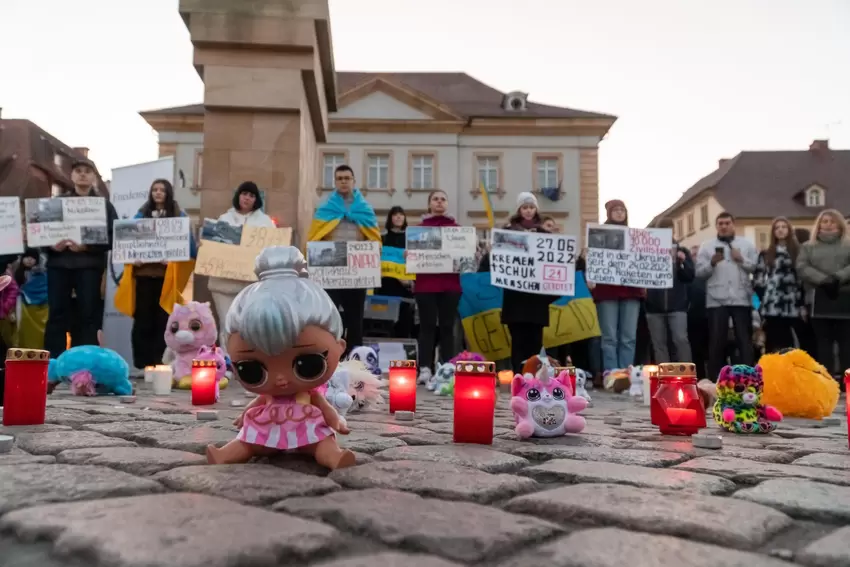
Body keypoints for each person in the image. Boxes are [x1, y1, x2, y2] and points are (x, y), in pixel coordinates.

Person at [206, 246, 355, 470]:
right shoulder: (268, 397)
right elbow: (256, 403)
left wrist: (336, 421)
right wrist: (244, 415)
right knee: (247, 442)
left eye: (307, 364)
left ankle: (334, 458)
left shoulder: (309, 395)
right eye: (253, 369)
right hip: (267, 431)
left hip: (307, 432)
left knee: (323, 444)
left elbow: (325, 408)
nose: (281, 379)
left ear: (339, 347)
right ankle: (225, 455)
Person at [113, 179, 197, 369]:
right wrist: (133, 257)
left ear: (168, 193)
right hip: (143, 276)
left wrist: (175, 257)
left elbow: (190, 249)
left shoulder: (179, 216)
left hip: (166, 279)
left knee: (163, 320)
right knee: (142, 320)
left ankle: (160, 362)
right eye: (155, 190)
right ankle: (141, 364)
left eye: (162, 190)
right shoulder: (139, 215)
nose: (158, 193)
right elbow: (125, 244)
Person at [43, 158, 118, 358]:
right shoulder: (56, 204)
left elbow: (114, 236)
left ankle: (84, 361)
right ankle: (52, 363)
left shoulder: (104, 206)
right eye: (78, 171)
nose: (82, 174)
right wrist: (51, 245)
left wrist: (86, 246)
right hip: (59, 264)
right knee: (57, 314)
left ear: (94, 176)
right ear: (72, 175)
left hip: (89, 266)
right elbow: (41, 233)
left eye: (87, 171)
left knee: (88, 314)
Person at [307, 165, 380, 355]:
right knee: (329, 317)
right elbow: (315, 239)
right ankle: (329, 356)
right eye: (339, 178)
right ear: (335, 182)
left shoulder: (365, 209)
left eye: (347, 178)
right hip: (331, 273)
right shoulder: (325, 209)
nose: (343, 181)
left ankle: (356, 356)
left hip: (356, 273)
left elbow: (374, 239)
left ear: (353, 181)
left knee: (355, 318)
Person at [207, 181, 275, 350]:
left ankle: (249, 360)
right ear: (238, 195)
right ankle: (228, 361)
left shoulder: (266, 222)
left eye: (252, 195)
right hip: (224, 283)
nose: (247, 198)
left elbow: (271, 250)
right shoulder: (224, 219)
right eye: (244, 193)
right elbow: (213, 249)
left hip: (252, 285)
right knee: (227, 323)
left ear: (256, 200)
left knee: (250, 324)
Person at [498, 192, 560, 373]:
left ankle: (533, 375)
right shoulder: (507, 233)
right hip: (515, 297)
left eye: (531, 207)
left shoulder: (544, 235)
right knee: (517, 340)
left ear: (536, 210)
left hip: (536, 298)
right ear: (519, 209)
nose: (528, 211)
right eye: (525, 207)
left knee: (535, 340)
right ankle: (518, 375)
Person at [695, 212, 758, 381]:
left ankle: (749, 378)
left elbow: (755, 268)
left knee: (744, 340)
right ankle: (716, 379)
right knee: (716, 341)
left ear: (733, 224)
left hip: (741, 297)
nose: (724, 226)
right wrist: (712, 263)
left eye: (727, 223)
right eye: (720, 223)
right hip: (716, 299)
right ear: (716, 226)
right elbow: (699, 273)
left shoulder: (746, 245)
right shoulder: (706, 246)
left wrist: (741, 259)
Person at [587, 200, 645, 376]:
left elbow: (643, 261)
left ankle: (627, 374)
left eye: (622, 210)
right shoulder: (598, 234)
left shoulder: (635, 236)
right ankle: (612, 373)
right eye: (616, 210)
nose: (620, 213)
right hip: (607, 291)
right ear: (609, 213)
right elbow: (594, 259)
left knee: (629, 337)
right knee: (609, 336)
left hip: (631, 291)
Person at [412, 190, 462, 383]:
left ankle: (448, 366)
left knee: (448, 327)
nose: (439, 202)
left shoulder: (457, 229)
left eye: (443, 199)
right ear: (429, 204)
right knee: (427, 327)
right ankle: (425, 367)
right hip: (425, 285)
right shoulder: (419, 230)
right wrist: (410, 255)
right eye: (436, 199)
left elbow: (464, 258)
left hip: (450, 285)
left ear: (447, 204)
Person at [796, 209, 850, 381]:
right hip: (817, 298)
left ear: (840, 224)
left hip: (844, 296)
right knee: (823, 342)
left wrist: (838, 278)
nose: (828, 224)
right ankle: (826, 381)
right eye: (824, 221)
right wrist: (824, 280)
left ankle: (846, 380)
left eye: (832, 221)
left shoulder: (848, 244)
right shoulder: (808, 246)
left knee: (846, 342)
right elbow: (802, 267)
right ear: (818, 224)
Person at [753, 217, 802, 353]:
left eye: (783, 227)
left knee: (792, 342)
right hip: (772, 305)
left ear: (789, 230)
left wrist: (801, 302)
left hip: (793, 303)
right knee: (773, 341)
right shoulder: (766, 254)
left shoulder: (798, 252)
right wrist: (763, 300)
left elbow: (802, 279)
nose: (780, 230)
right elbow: (758, 280)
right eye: (777, 227)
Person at [645, 234, 695, 363]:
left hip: (677, 305)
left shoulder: (682, 252)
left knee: (681, 340)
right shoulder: (647, 252)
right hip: (653, 306)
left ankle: (687, 374)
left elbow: (690, 276)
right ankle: (664, 376)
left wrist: (682, 262)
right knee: (658, 344)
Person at [376, 206, 413, 338]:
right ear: (390, 218)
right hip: (385, 285)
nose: (398, 217)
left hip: (404, 287)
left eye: (401, 214)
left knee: (404, 325)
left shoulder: (411, 240)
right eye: (395, 214)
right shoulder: (381, 239)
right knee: (384, 325)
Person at [793, 227, 817, 356]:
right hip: (806, 302)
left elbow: (802, 285)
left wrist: (802, 305)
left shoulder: (803, 259)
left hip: (805, 303)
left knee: (807, 340)